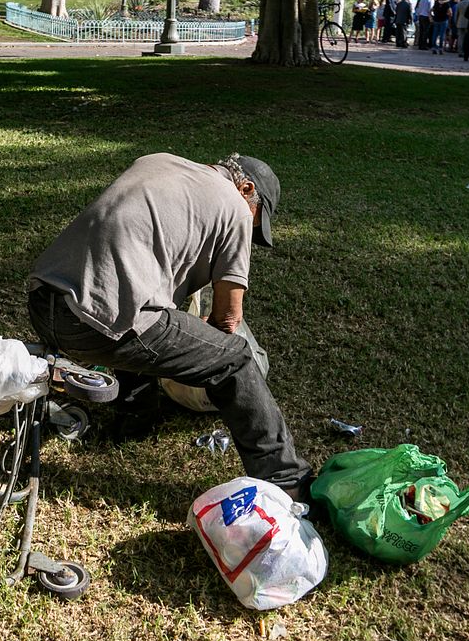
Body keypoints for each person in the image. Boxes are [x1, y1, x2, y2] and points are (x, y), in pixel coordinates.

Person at [26, 153, 314, 500]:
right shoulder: (236, 208)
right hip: (95, 326)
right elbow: (227, 320)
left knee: (150, 315)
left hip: (44, 304)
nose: (250, 233)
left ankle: (133, 425)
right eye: (256, 223)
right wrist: (205, 360)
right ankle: (286, 478)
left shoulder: (159, 161)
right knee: (235, 358)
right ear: (246, 188)